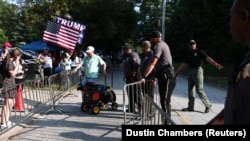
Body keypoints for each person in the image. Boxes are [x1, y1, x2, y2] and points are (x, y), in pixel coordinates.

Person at [208, 0, 250, 124]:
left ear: (245, 16)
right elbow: (233, 108)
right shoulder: (245, 61)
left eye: (232, 17)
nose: (229, 23)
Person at [175, 39, 223, 113]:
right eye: (191, 44)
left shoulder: (200, 51)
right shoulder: (188, 53)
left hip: (198, 71)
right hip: (190, 71)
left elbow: (208, 58)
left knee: (199, 90)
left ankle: (208, 105)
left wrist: (215, 64)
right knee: (190, 90)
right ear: (189, 45)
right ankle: (191, 107)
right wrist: (176, 72)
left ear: (196, 44)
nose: (192, 45)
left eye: (193, 44)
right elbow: (184, 63)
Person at [141, 30, 176, 124]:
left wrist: (144, 76)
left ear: (155, 38)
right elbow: (159, 65)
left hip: (167, 77)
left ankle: (166, 125)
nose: (151, 40)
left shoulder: (159, 46)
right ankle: (165, 123)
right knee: (164, 102)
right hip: (163, 76)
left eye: (152, 39)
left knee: (165, 102)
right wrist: (153, 77)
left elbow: (153, 62)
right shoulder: (163, 44)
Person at [1, 48, 21, 128]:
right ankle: (3, 122)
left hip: (11, 83)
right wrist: (17, 64)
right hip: (7, 83)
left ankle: (7, 120)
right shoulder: (9, 62)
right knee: (7, 103)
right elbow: (12, 73)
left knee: (11, 102)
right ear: (17, 56)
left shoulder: (10, 61)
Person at [139, 40, 156, 118]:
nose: (141, 48)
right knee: (146, 96)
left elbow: (154, 67)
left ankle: (151, 113)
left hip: (149, 79)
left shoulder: (152, 55)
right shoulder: (144, 55)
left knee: (149, 97)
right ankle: (148, 111)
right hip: (144, 79)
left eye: (142, 46)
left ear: (146, 47)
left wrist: (154, 79)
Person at [123, 43, 141, 113]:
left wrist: (133, 75)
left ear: (128, 49)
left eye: (124, 49)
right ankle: (131, 108)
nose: (123, 51)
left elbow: (137, 65)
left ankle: (140, 109)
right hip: (129, 78)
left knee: (136, 94)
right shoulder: (128, 56)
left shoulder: (133, 55)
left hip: (134, 78)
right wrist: (125, 75)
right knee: (130, 93)